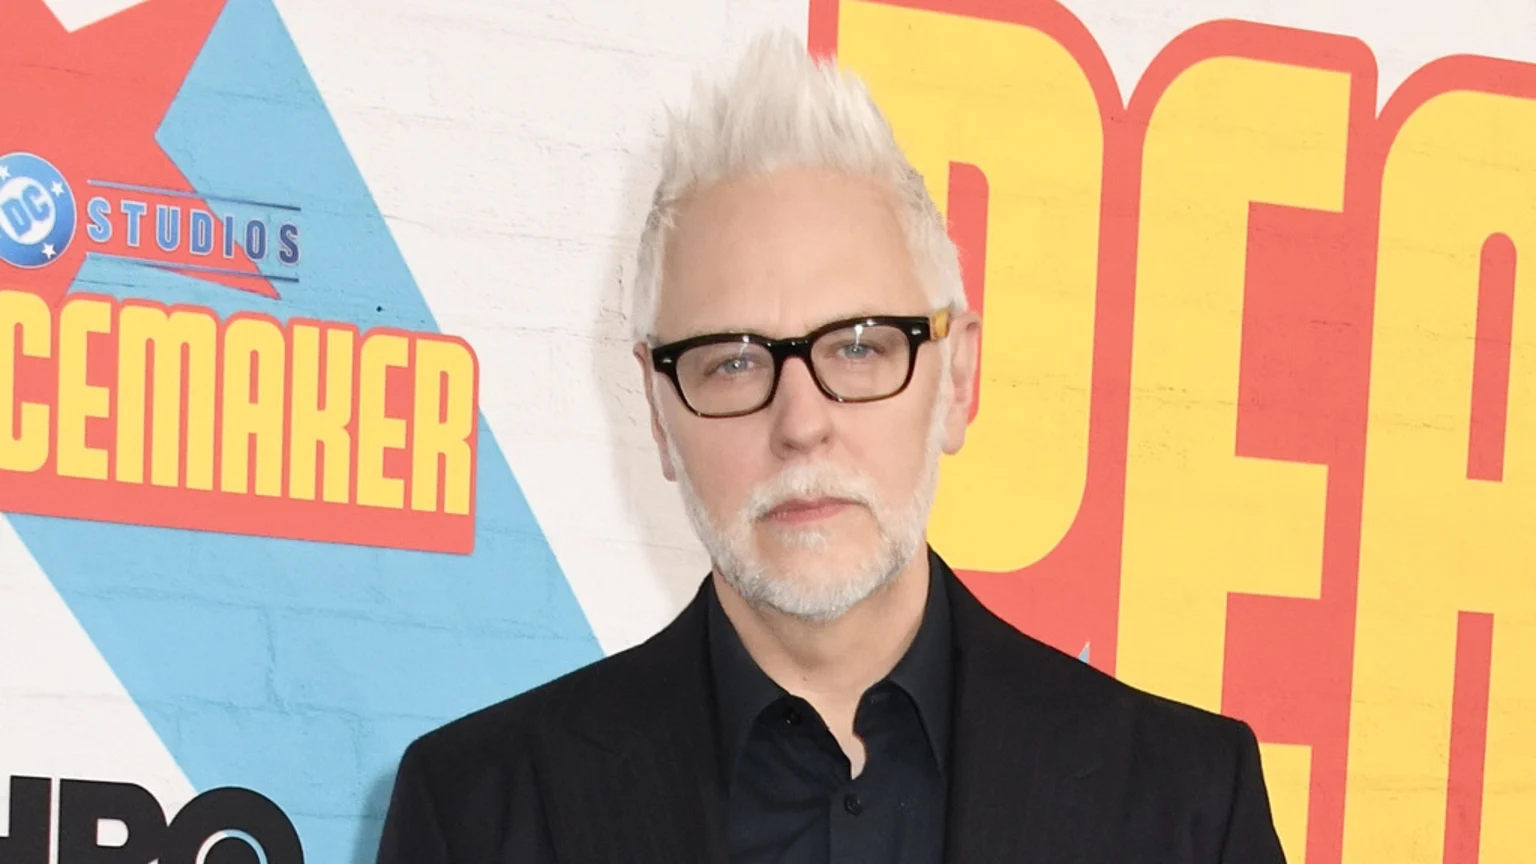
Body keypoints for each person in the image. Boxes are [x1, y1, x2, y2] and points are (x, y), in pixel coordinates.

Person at [376, 30, 1286, 864]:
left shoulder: (1188, 806)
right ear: (659, 414)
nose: (801, 422)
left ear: (957, 379)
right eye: (731, 363)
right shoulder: (479, 813)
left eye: (858, 347)